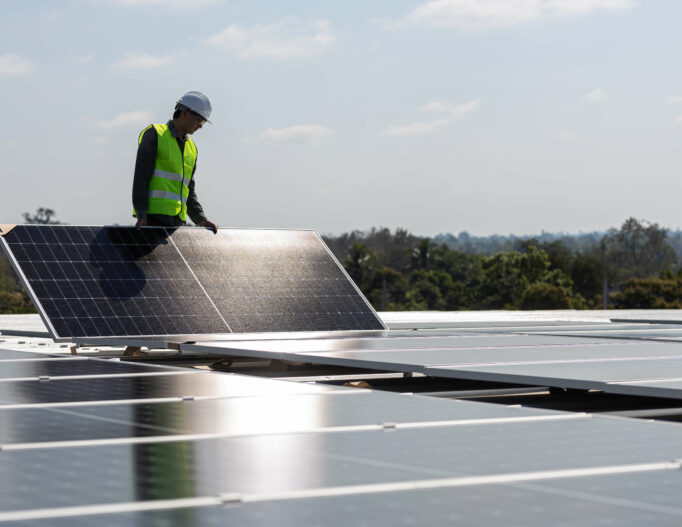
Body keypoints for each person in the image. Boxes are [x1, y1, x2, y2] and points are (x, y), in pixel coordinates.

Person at [132, 91, 218, 233]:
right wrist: (142, 215)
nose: (200, 126)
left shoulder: (191, 148)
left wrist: (200, 219)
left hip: (178, 223)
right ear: (184, 113)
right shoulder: (155, 135)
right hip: (153, 220)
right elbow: (141, 179)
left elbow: (189, 190)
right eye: (199, 120)